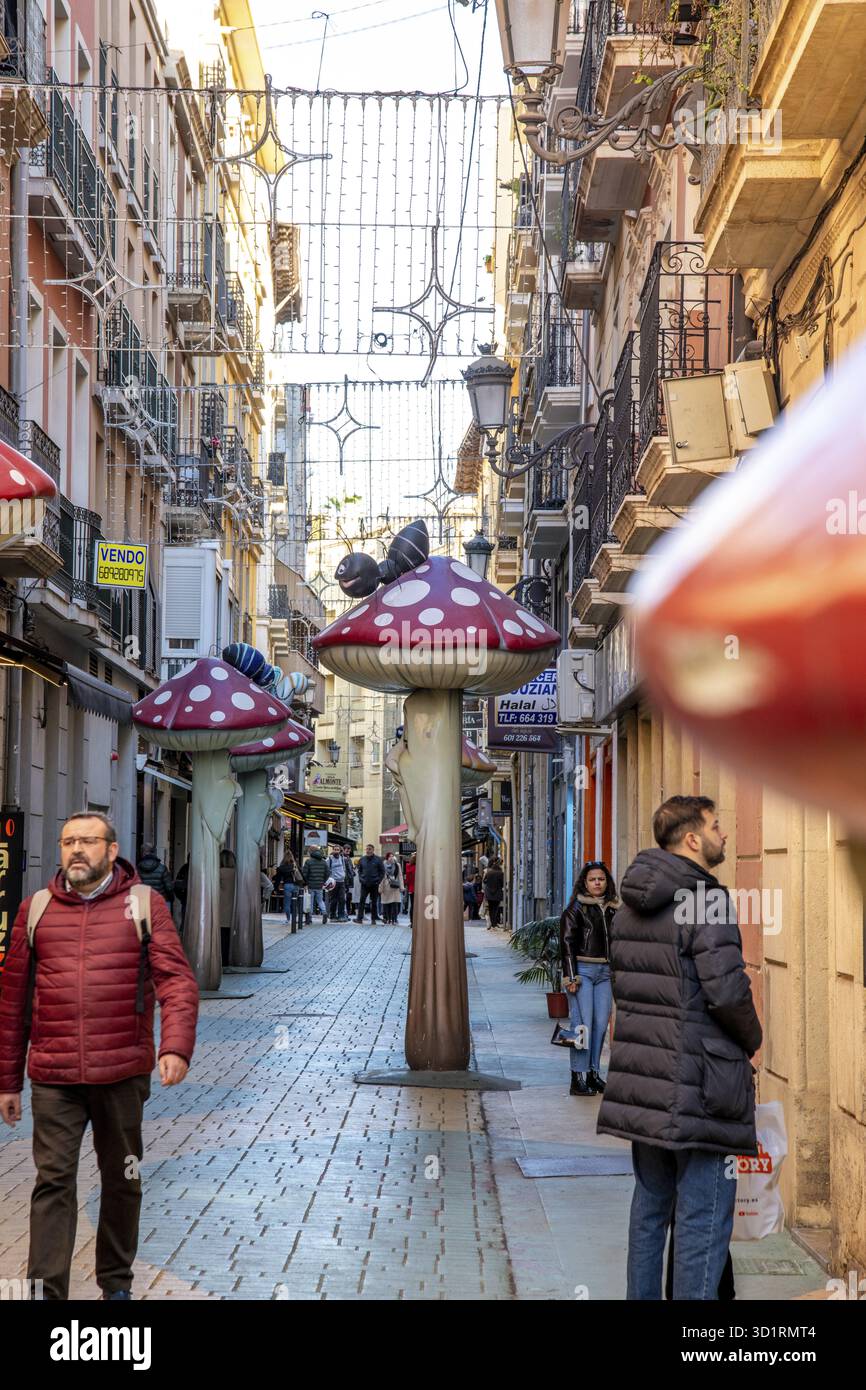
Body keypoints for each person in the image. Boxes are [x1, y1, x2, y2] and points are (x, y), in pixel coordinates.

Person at [0, 812, 198, 1302]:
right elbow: (12, 1001)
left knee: (123, 1177)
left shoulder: (144, 904)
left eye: (88, 841)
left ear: (112, 851)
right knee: (53, 1182)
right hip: (54, 1075)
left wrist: (175, 1045)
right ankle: (46, 1293)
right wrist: (8, 1081)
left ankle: (115, 1285)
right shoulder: (37, 908)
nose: (76, 850)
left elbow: (176, 981)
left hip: (122, 1072)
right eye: (68, 842)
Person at [596, 795, 762, 1302]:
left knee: (649, 1207)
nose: (725, 835)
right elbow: (727, 991)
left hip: (645, 1083)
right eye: (717, 826)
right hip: (702, 1088)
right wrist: (753, 1040)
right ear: (692, 839)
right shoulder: (705, 900)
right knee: (702, 1217)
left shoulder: (627, 910)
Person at [559, 861, 618, 1097]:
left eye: (601, 879)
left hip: (605, 973)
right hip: (582, 972)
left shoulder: (613, 909)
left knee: (601, 1024)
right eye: (593, 879)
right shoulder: (575, 909)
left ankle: (593, 1074)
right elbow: (566, 944)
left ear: (607, 882)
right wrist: (570, 976)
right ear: (585, 882)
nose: (597, 883)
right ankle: (578, 1077)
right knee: (582, 1025)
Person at [355, 844, 385, 924]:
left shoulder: (378, 860)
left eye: (370, 849)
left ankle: (373, 919)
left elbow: (382, 872)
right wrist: (361, 879)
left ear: (373, 850)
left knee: (374, 902)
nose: (368, 850)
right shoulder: (362, 859)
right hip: (364, 884)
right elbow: (359, 871)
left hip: (374, 884)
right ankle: (359, 919)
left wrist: (378, 881)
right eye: (367, 849)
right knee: (362, 901)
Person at [273, 851, 303, 929]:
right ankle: (295, 918)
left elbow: (277, 879)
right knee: (295, 902)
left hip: (287, 885)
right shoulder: (295, 865)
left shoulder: (281, 867)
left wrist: (275, 888)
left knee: (287, 903)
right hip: (296, 885)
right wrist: (304, 884)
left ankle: (288, 919)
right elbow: (301, 875)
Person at [301, 844, 329, 923]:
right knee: (320, 900)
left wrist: (305, 883)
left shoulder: (308, 861)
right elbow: (328, 872)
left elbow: (305, 873)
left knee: (310, 901)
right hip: (319, 885)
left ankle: (309, 918)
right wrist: (323, 881)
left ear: (311, 851)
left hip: (310, 884)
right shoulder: (323, 862)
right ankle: (324, 912)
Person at [326, 846, 349, 921]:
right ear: (333, 850)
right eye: (335, 850)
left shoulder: (342, 858)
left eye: (338, 850)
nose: (336, 851)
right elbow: (326, 869)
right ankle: (332, 915)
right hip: (333, 882)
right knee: (333, 899)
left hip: (341, 881)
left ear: (340, 851)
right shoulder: (329, 859)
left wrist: (344, 876)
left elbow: (344, 868)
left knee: (342, 899)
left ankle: (341, 915)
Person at [380, 851, 403, 924]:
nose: (391, 857)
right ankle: (386, 918)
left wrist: (401, 887)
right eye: (390, 856)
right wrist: (380, 887)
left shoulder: (397, 865)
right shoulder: (383, 865)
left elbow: (400, 876)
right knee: (386, 903)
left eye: (392, 856)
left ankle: (394, 919)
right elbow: (381, 877)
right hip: (386, 886)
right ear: (387, 858)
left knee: (395, 903)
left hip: (395, 886)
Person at [482, 857, 504, 929]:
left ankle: (492, 923)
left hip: (489, 893)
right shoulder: (501, 873)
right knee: (496, 908)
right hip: (497, 893)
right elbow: (503, 883)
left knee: (491, 908)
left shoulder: (489, 872)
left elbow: (484, 881)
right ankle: (494, 923)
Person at [404, 853, 416, 925]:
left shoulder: (408, 866)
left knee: (412, 905)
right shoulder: (420, 867)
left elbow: (407, 879)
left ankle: (412, 922)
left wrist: (407, 885)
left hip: (411, 888)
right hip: (420, 889)